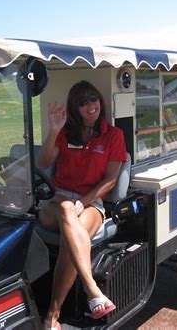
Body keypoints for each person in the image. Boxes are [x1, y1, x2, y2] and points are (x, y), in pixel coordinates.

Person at [37, 81, 127, 329]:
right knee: (66, 210)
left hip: (91, 203)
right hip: (56, 201)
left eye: (93, 99)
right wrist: (54, 130)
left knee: (70, 239)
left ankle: (51, 317)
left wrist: (83, 202)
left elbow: (110, 180)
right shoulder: (65, 133)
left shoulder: (113, 136)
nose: (90, 105)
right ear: (75, 109)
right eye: (83, 102)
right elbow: (44, 163)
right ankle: (92, 290)